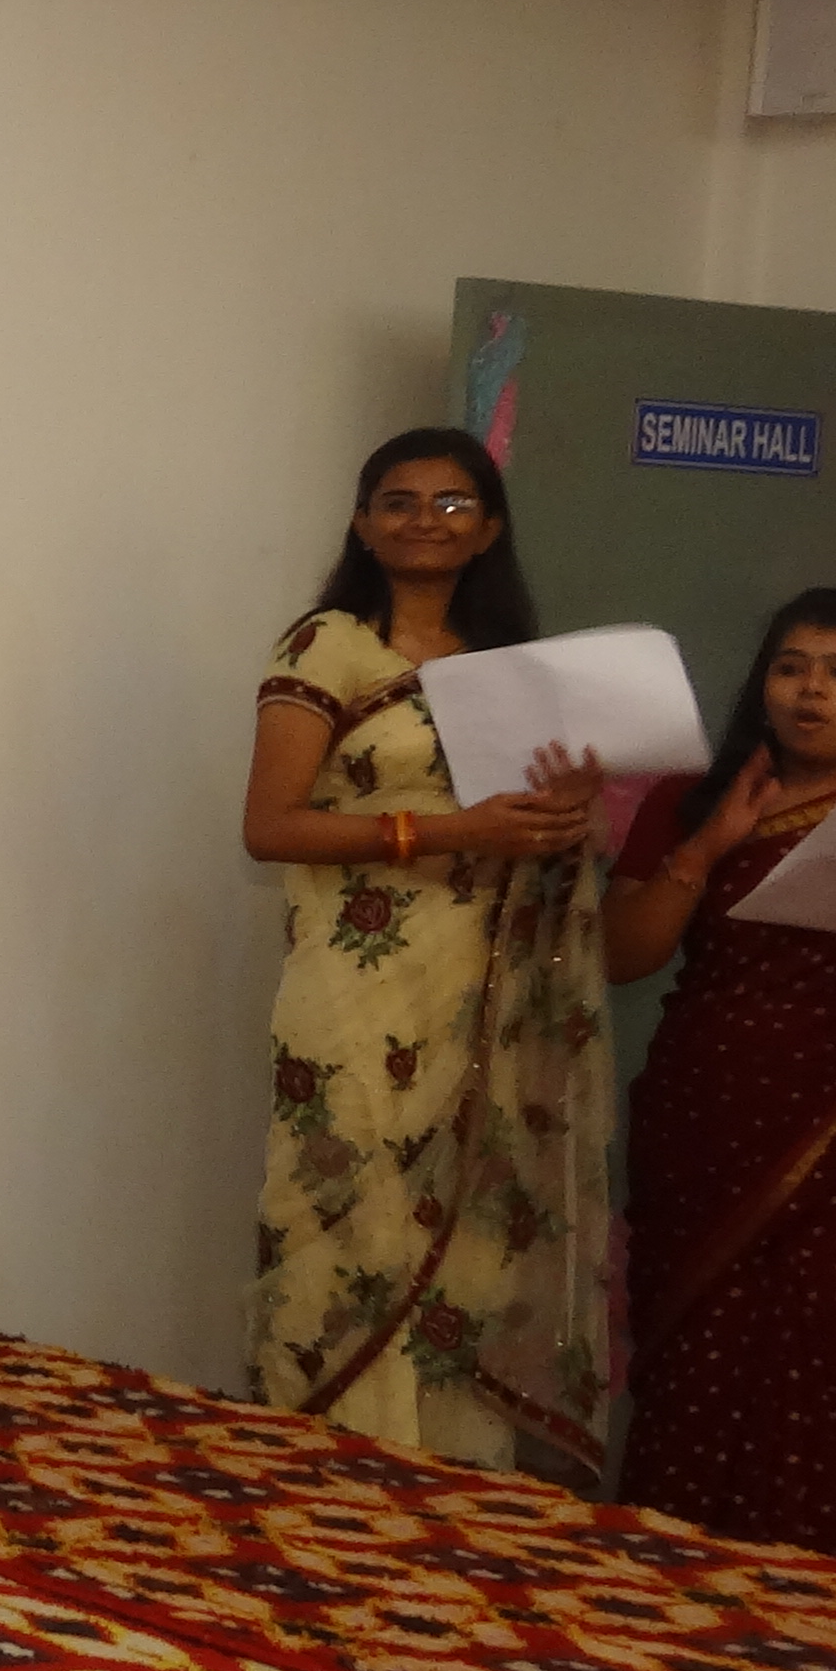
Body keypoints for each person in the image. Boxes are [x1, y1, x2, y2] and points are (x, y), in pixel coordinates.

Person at [240, 430, 612, 1475]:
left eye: (452, 504)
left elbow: (525, 832)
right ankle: (327, 1466)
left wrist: (559, 818)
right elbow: (269, 826)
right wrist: (451, 830)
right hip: (353, 989)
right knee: (341, 1213)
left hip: (478, 988)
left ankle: (444, 1475)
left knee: (468, 1230)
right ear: (363, 525)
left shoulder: (508, 668)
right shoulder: (327, 646)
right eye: (397, 501)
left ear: (489, 529)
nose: (424, 521)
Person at [604, 588, 836, 1553]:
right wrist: (707, 848)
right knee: (697, 1351)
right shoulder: (692, 800)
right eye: (791, 667)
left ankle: (811, 1595)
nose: (812, 692)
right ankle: (666, 1580)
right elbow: (621, 956)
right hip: (707, 1108)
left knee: (832, 1352)